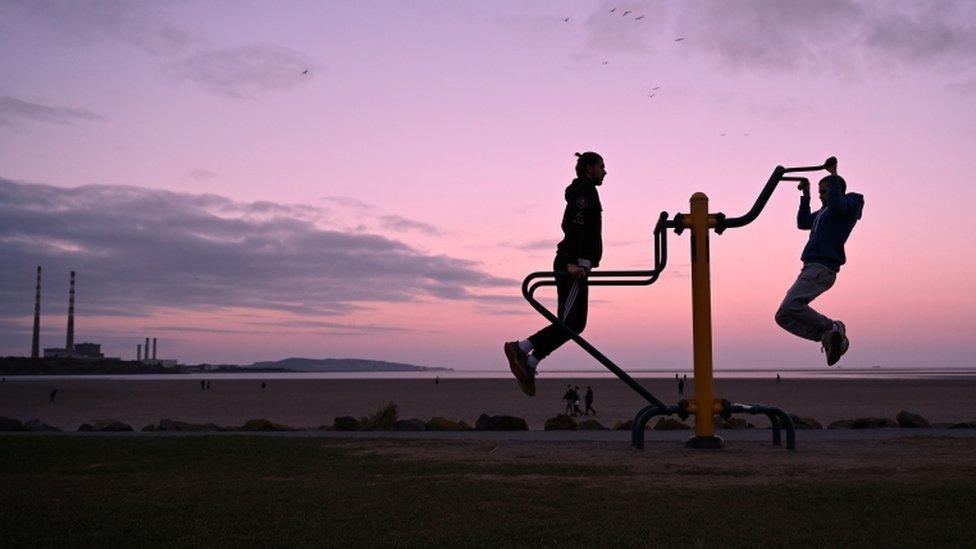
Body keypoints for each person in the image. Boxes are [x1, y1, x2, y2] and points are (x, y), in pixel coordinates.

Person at [505, 152, 606, 396]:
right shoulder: (584, 191)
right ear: (589, 168)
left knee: (575, 323)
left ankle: (530, 360)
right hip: (573, 265)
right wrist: (572, 262)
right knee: (571, 322)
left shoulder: (587, 190)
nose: (605, 172)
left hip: (580, 264)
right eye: (602, 167)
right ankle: (521, 348)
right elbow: (574, 225)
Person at [775, 157, 864, 366]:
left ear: (836, 189)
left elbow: (836, 203)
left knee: (792, 305)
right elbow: (802, 222)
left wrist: (833, 175)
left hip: (823, 268)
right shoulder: (824, 212)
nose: (822, 197)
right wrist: (805, 195)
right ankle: (828, 337)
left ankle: (834, 328)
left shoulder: (848, 205)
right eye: (819, 193)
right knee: (782, 316)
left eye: (823, 192)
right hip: (809, 268)